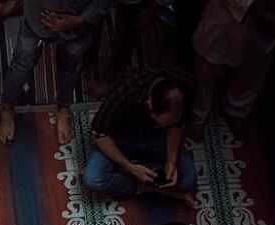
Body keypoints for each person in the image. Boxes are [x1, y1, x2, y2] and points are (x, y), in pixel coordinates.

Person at [0, 0, 112, 146]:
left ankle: (63, 108)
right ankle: (7, 107)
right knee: (22, 64)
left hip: (79, 24)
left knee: (69, 65)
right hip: (38, 17)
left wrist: (79, 20)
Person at [81, 68, 196, 206]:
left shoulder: (184, 86)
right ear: (149, 104)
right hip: (121, 138)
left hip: (156, 139)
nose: (168, 125)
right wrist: (129, 167)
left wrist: (171, 161)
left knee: (188, 179)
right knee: (93, 179)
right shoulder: (126, 89)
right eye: (163, 122)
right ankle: (139, 185)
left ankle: (145, 177)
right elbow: (99, 134)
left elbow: (177, 127)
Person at [191, 0, 275, 139]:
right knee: (208, 64)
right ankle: (199, 113)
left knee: (253, 68)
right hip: (228, 11)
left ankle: (236, 110)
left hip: (271, 14)